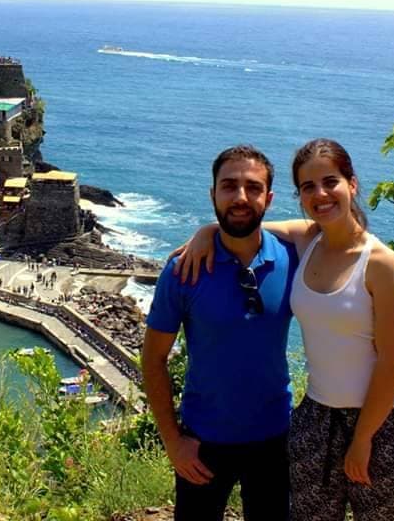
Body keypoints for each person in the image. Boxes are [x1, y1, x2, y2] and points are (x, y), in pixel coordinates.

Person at [174, 139, 394, 521]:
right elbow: (248, 225)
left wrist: (362, 440)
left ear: (351, 184)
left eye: (330, 182)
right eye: (308, 187)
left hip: (385, 421)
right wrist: (208, 230)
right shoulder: (308, 241)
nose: (320, 194)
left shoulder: (382, 263)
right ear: (298, 195)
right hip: (318, 416)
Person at [142, 145, 298, 521]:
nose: (241, 197)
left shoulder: (294, 261)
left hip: (275, 439)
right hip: (202, 442)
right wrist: (173, 442)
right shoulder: (183, 271)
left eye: (253, 187)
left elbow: (344, 234)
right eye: (229, 186)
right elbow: (153, 358)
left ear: (270, 198)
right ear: (212, 194)